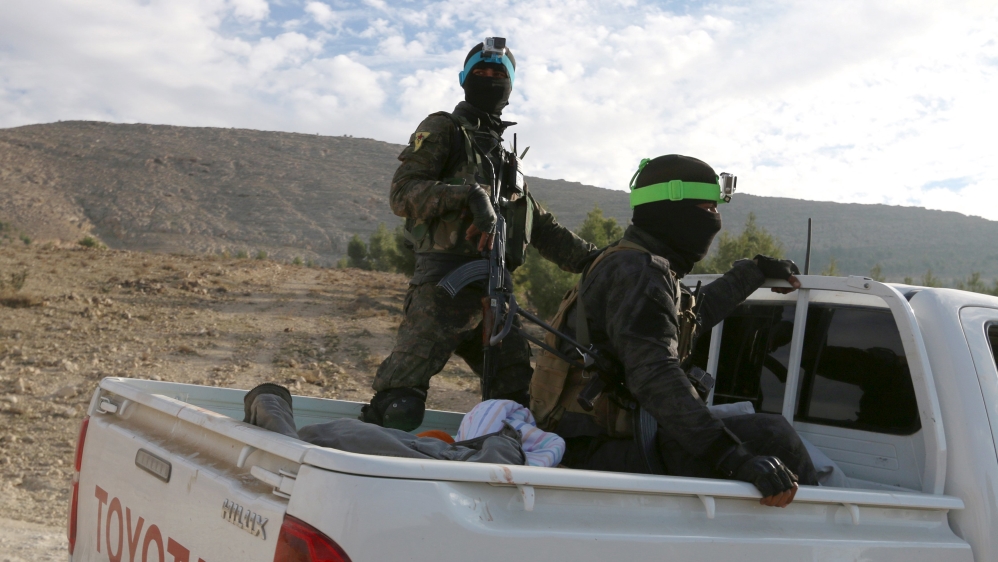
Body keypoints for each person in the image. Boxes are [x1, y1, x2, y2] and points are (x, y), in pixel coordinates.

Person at [529, 154, 818, 507]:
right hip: (591, 449)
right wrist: (735, 459)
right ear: (672, 210)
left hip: (595, 438)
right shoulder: (639, 272)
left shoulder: (631, 261)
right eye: (708, 209)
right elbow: (654, 374)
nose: (715, 221)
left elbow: (690, 318)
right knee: (773, 437)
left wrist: (753, 271)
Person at [361, 38, 595, 431]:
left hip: (496, 298)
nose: (490, 79)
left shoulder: (505, 158)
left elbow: (543, 227)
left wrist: (602, 258)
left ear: (511, 85)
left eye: (499, 74)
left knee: (513, 411)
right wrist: (468, 195)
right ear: (464, 80)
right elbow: (403, 193)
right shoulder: (443, 129)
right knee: (398, 406)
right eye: (480, 73)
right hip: (443, 289)